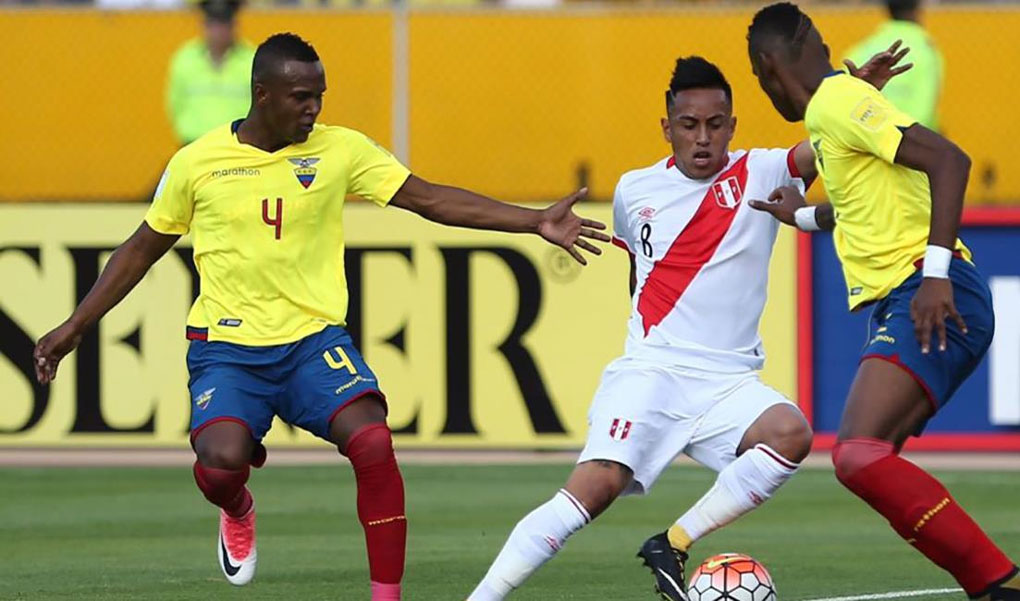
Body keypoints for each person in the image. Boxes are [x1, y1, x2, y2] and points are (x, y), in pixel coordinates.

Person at [33, 33, 608, 601]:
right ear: (262, 95)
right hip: (227, 350)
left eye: (320, 96)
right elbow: (139, 250)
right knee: (220, 463)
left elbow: (429, 199)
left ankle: (387, 597)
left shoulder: (340, 150)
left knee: (374, 443)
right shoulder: (197, 164)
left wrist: (531, 221)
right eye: (301, 97)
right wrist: (73, 327)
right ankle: (237, 507)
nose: (313, 109)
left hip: (313, 345)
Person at [467, 52, 904, 601]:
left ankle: (672, 542)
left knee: (791, 434)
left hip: (729, 383)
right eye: (689, 125)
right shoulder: (635, 190)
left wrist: (857, 96)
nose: (703, 139)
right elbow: (638, 271)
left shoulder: (763, 170)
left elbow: (828, 141)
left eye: (715, 125)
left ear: (732, 126)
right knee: (595, 488)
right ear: (667, 128)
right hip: (655, 371)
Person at [746, 4, 1019, 600]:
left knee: (857, 454)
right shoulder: (835, 107)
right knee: (871, 460)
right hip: (919, 289)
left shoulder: (836, 104)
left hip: (929, 290)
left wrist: (936, 276)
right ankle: (991, 582)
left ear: (768, 70)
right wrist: (801, 216)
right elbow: (861, 203)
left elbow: (951, 160)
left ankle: (996, 582)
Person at [166, 0, 255, 146]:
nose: (218, 31)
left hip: (237, 146)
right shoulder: (185, 58)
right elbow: (175, 103)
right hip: (193, 144)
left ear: (234, 26)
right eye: (212, 24)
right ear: (203, 26)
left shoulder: (251, 59)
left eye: (224, 24)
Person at [844, 0, 943, 131]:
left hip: (865, 138)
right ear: (917, 9)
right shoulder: (925, 51)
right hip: (909, 141)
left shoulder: (860, 50)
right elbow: (924, 109)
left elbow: (845, 103)